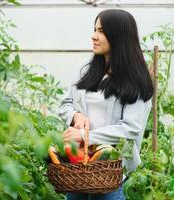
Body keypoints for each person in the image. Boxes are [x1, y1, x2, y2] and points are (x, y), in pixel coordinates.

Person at [58, 9, 154, 200]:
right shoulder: (85, 70)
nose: (94, 36)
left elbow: (131, 128)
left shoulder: (135, 80)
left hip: (110, 170)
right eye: (94, 29)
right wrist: (76, 116)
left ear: (119, 36)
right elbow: (65, 103)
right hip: (78, 168)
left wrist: (86, 136)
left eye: (101, 31)